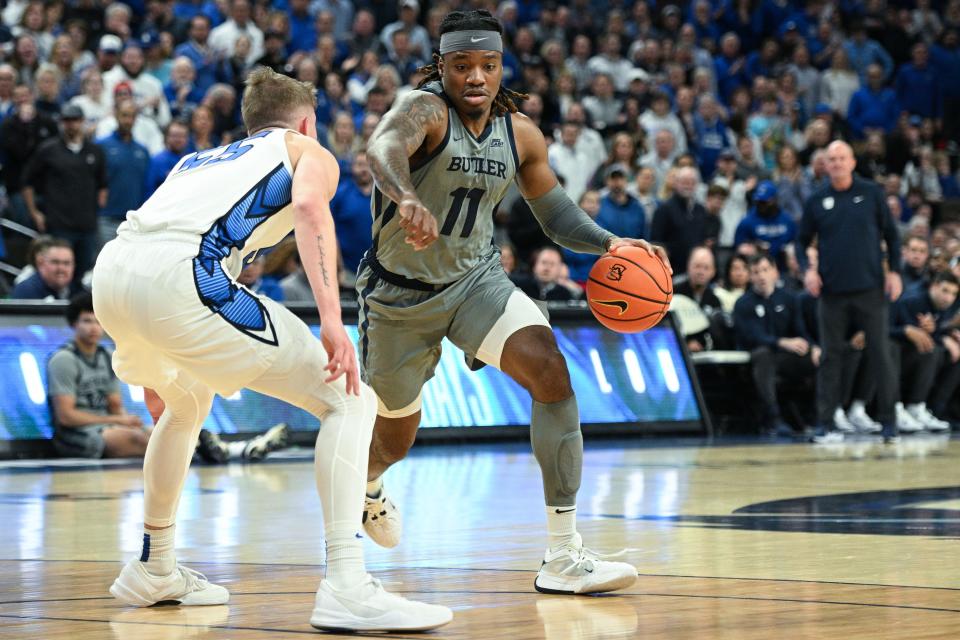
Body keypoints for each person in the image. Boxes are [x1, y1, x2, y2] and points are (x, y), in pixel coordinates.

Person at [92, 67, 451, 632]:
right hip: (181, 276)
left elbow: (156, 243)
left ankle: (155, 566)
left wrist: (151, 359)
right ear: (307, 120)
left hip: (112, 275)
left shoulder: (200, 161)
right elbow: (311, 209)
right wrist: (332, 320)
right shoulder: (309, 149)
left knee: (185, 405)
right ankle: (347, 585)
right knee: (350, 401)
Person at [361, 10, 660, 595]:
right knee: (394, 438)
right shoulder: (423, 110)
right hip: (399, 296)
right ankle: (366, 488)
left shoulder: (520, 132)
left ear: (502, 68)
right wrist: (404, 197)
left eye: (487, 65)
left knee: (551, 371)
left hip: (476, 280)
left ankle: (563, 554)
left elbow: (553, 214)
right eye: (462, 65)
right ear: (441, 67)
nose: (475, 77)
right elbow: (382, 146)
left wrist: (610, 242)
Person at [798, 140, 902, 443]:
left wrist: (894, 272)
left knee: (881, 354)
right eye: (832, 159)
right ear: (825, 165)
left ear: (852, 162)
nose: (837, 163)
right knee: (831, 356)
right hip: (832, 293)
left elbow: (893, 237)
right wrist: (809, 269)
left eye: (842, 158)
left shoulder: (871, 193)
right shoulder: (817, 200)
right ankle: (825, 422)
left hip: (870, 288)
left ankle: (889, 422)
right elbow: (801, 242)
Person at [47, 292, 149, 458]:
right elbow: (66, 416)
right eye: (87, 321)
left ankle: (197, 446)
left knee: (154, 434)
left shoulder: (108, 355)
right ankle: (194, 452)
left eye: (98, 322)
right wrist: (117, 421)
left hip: (106, 425)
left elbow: (115, 405)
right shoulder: (63, 359)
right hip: (74, 435)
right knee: (137, 440)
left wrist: (128, 420)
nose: (94, 327)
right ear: (74, 324)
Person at [734, 254, 819, 436]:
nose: (761, 276)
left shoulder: (789, 299)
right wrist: (781, 342)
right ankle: (773, 418)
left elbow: (801, 331)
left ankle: (822, 417)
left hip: (785, 358)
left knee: (821, 357)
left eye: (765, 270)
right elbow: (753, 337)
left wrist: (814, 348)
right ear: (750, 276)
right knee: (763, 354)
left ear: (775, 272)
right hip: (757, 359)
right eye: (756, 272)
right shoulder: (743, 304)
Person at [22, 103, 107, 280]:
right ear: (61, 122)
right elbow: (27, 181)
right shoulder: (48, 149)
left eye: (75, 120)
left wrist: (97, 207)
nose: (71, 124)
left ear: (82, 121)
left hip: (87, 225)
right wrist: (34, 212)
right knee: (57, 274)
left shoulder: (95, 151)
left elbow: (103, 184)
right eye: (67, 120)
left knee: (83, 274)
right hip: (59, 225)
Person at [888, 271, 959, 432]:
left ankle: (923, 408)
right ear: (933, 286)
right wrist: (906, 330)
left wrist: (945, 335)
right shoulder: (911, 300)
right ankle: (899, 408)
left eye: (953, 294)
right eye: (945, 290)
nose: (948, 298)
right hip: (892, 353)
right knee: (928, 350)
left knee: (933, 350)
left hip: (910, 354)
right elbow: (886, 328)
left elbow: (930, 333)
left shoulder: (941, 306)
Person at [9, 239, 85, 300]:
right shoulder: (25, 291)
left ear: (74, 266)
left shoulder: (80, 291)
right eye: (55, 262)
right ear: (40, 264)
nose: (61, 268)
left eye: (66, 263)